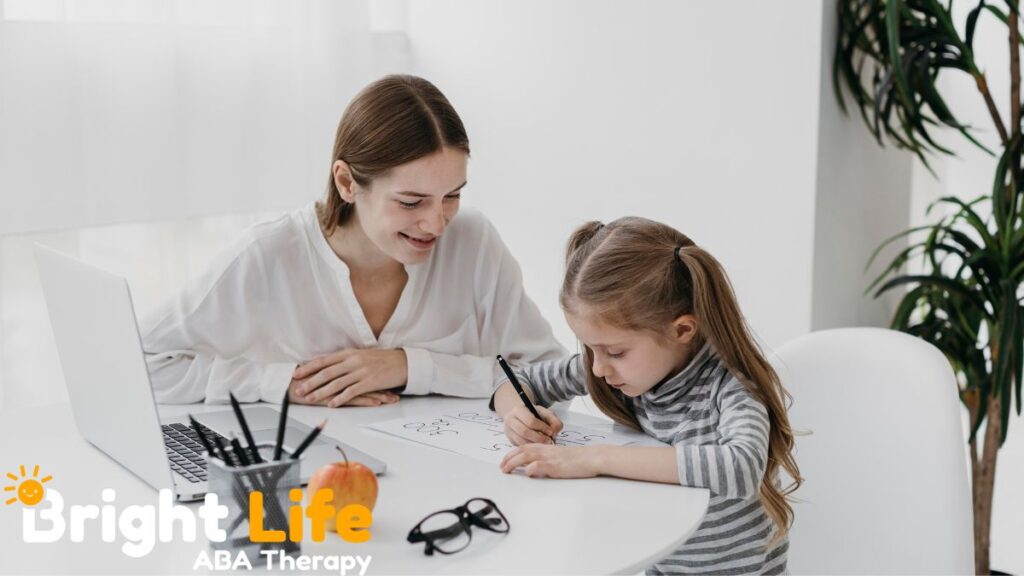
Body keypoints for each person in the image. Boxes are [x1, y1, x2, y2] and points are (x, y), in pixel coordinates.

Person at [141, 74, 564, 407]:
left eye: (452, 195)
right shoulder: (268, 255)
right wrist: (286, 383)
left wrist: (410, 367)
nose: (436, 223)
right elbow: (140, 363)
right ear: (346, 182)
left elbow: (551, 372)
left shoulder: (472, 241)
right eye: (411, 201)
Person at [490, 217, 802, 575]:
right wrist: (517, 413)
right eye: (591, 350)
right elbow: (514, 380)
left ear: (682, 330)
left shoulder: (730, 385)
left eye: (616, 352)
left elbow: (741, 466)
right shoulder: (615, 370)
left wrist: (594, 459)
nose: (597, 369)